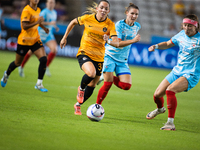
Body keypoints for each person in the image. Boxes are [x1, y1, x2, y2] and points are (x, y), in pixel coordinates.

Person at [60, 0, 118, 115]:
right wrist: (64, 37)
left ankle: (78, 105)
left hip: (99, 57)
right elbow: (72, 22)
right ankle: (81, 89)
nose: (103, 10)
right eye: (101, 7)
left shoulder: (110, 24)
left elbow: (116, 41)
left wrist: (109, 40)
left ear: (108, 11)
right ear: (97, 8)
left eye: (106, 8)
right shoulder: (87, 18)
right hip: (85, 52)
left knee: (92, 85)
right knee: (91, 74)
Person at [146, 14, 200, 131]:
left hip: (190, 75)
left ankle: (170, 123)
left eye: (190, 26)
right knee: (157, 95)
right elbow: (167, 43)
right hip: (176, 71)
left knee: (170, 90)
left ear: (196, 27)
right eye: (185, 25)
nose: (186, 28)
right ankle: (160, 109)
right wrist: (156, 46)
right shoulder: (181, 35)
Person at [95, 3, 141, 105]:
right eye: (132, 13)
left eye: (136, 14)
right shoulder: (119, 25)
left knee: (126, 86)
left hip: (122, 59)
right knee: (108, 84)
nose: (134, 16)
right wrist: (133, 40)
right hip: (110, 56)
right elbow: (118, 44)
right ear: (126, 13)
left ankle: (105, 75)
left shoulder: (137, 26)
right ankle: (97, 106)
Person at [1, 0, 49, 92]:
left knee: (43, 59)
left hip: (35, 39)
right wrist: (37, 22)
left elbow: (37, 22)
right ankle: (6, 75)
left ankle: (39, 84)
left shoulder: (38, 9)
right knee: (17, 63)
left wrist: (44, 28)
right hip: (24, 41)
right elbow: (25, 26)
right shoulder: (26, 10)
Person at [18, 0, 59, 77]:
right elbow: (39, 22)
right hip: (39, 34)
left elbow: (52, 23)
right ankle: (21, 66)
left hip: (48, 35)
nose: (51, 4)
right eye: (50, 2)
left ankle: (46, 66)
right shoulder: (44, 12)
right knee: (30, 52)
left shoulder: (54, 12)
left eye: (53, 2)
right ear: (47, 3)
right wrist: (51, 24)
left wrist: (55, 27)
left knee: (54, 49)